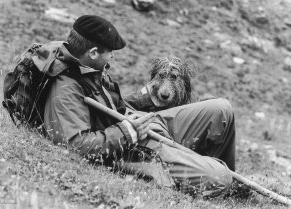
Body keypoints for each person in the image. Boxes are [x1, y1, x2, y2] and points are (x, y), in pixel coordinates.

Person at [34, 15, 235, 197]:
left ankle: (220, 176)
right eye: (110, 52)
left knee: (221, 109)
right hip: (136, 148)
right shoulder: (66, 89)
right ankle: (213, 176)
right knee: (220, 178)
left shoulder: (86, 67)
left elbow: (111, 107)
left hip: (145, 124)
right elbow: (74, 144)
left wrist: (143, 98)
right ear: (94, 52)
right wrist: (128, 131)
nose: (112, 57)